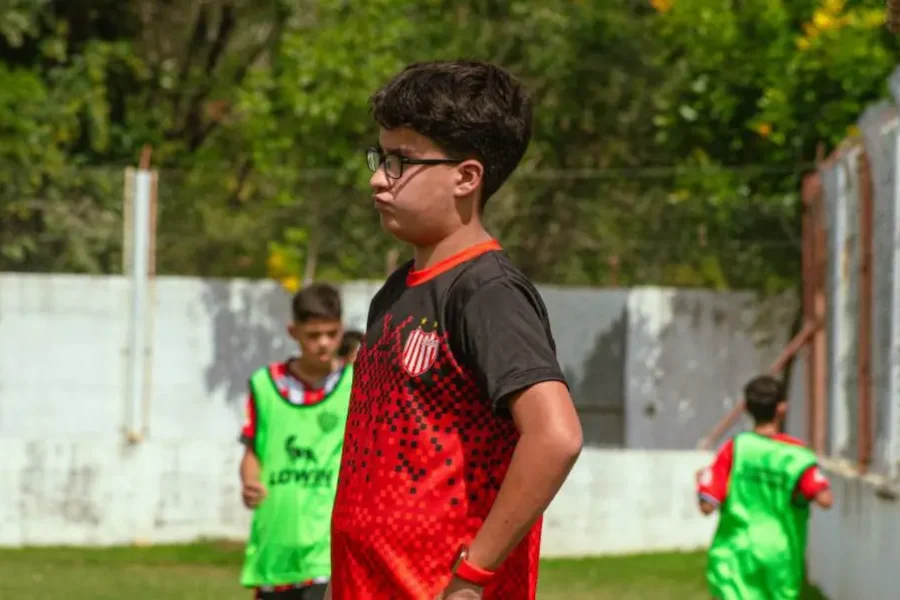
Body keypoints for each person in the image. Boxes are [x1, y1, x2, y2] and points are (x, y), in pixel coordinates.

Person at [326, 60, 583, 600]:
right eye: (380, 157)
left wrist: (474, 577)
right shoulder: (396, 293)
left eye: (401, 162)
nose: (377, 177)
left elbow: (555, 436)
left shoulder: (486, 291)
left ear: (467, 177)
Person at [239, 283, 352, 600]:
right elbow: (253, 451)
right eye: (314, 335)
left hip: (326, 551)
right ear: (293, 331)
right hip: (276, 547)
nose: (324, 344)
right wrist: (250, 481)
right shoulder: (264, 386)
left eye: (331, 334)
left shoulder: (355, 385)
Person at [696, 375, 833, 600]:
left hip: (735, 551)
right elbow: (825, 499)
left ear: (747, 408)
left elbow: (707, 506)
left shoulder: (735, 448)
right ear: (782, 408)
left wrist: (701, 482)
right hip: (780, 553)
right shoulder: (797, 455)